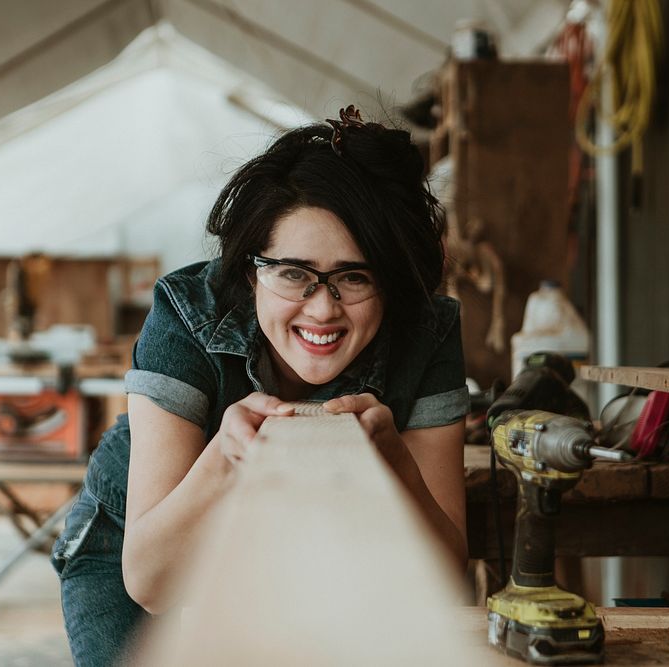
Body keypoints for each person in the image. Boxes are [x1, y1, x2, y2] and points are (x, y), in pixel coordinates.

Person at [50, 106, 470, 666]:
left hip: (308, 532)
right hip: (136, 535)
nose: (323, 308)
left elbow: (443, 580)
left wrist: (395, 459)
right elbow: (149, 583)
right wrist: (225, 455)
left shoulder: (428, 327)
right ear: (252, 272)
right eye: (293, 272)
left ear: (391, 278)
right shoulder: (185, 312)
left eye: (355, 276)